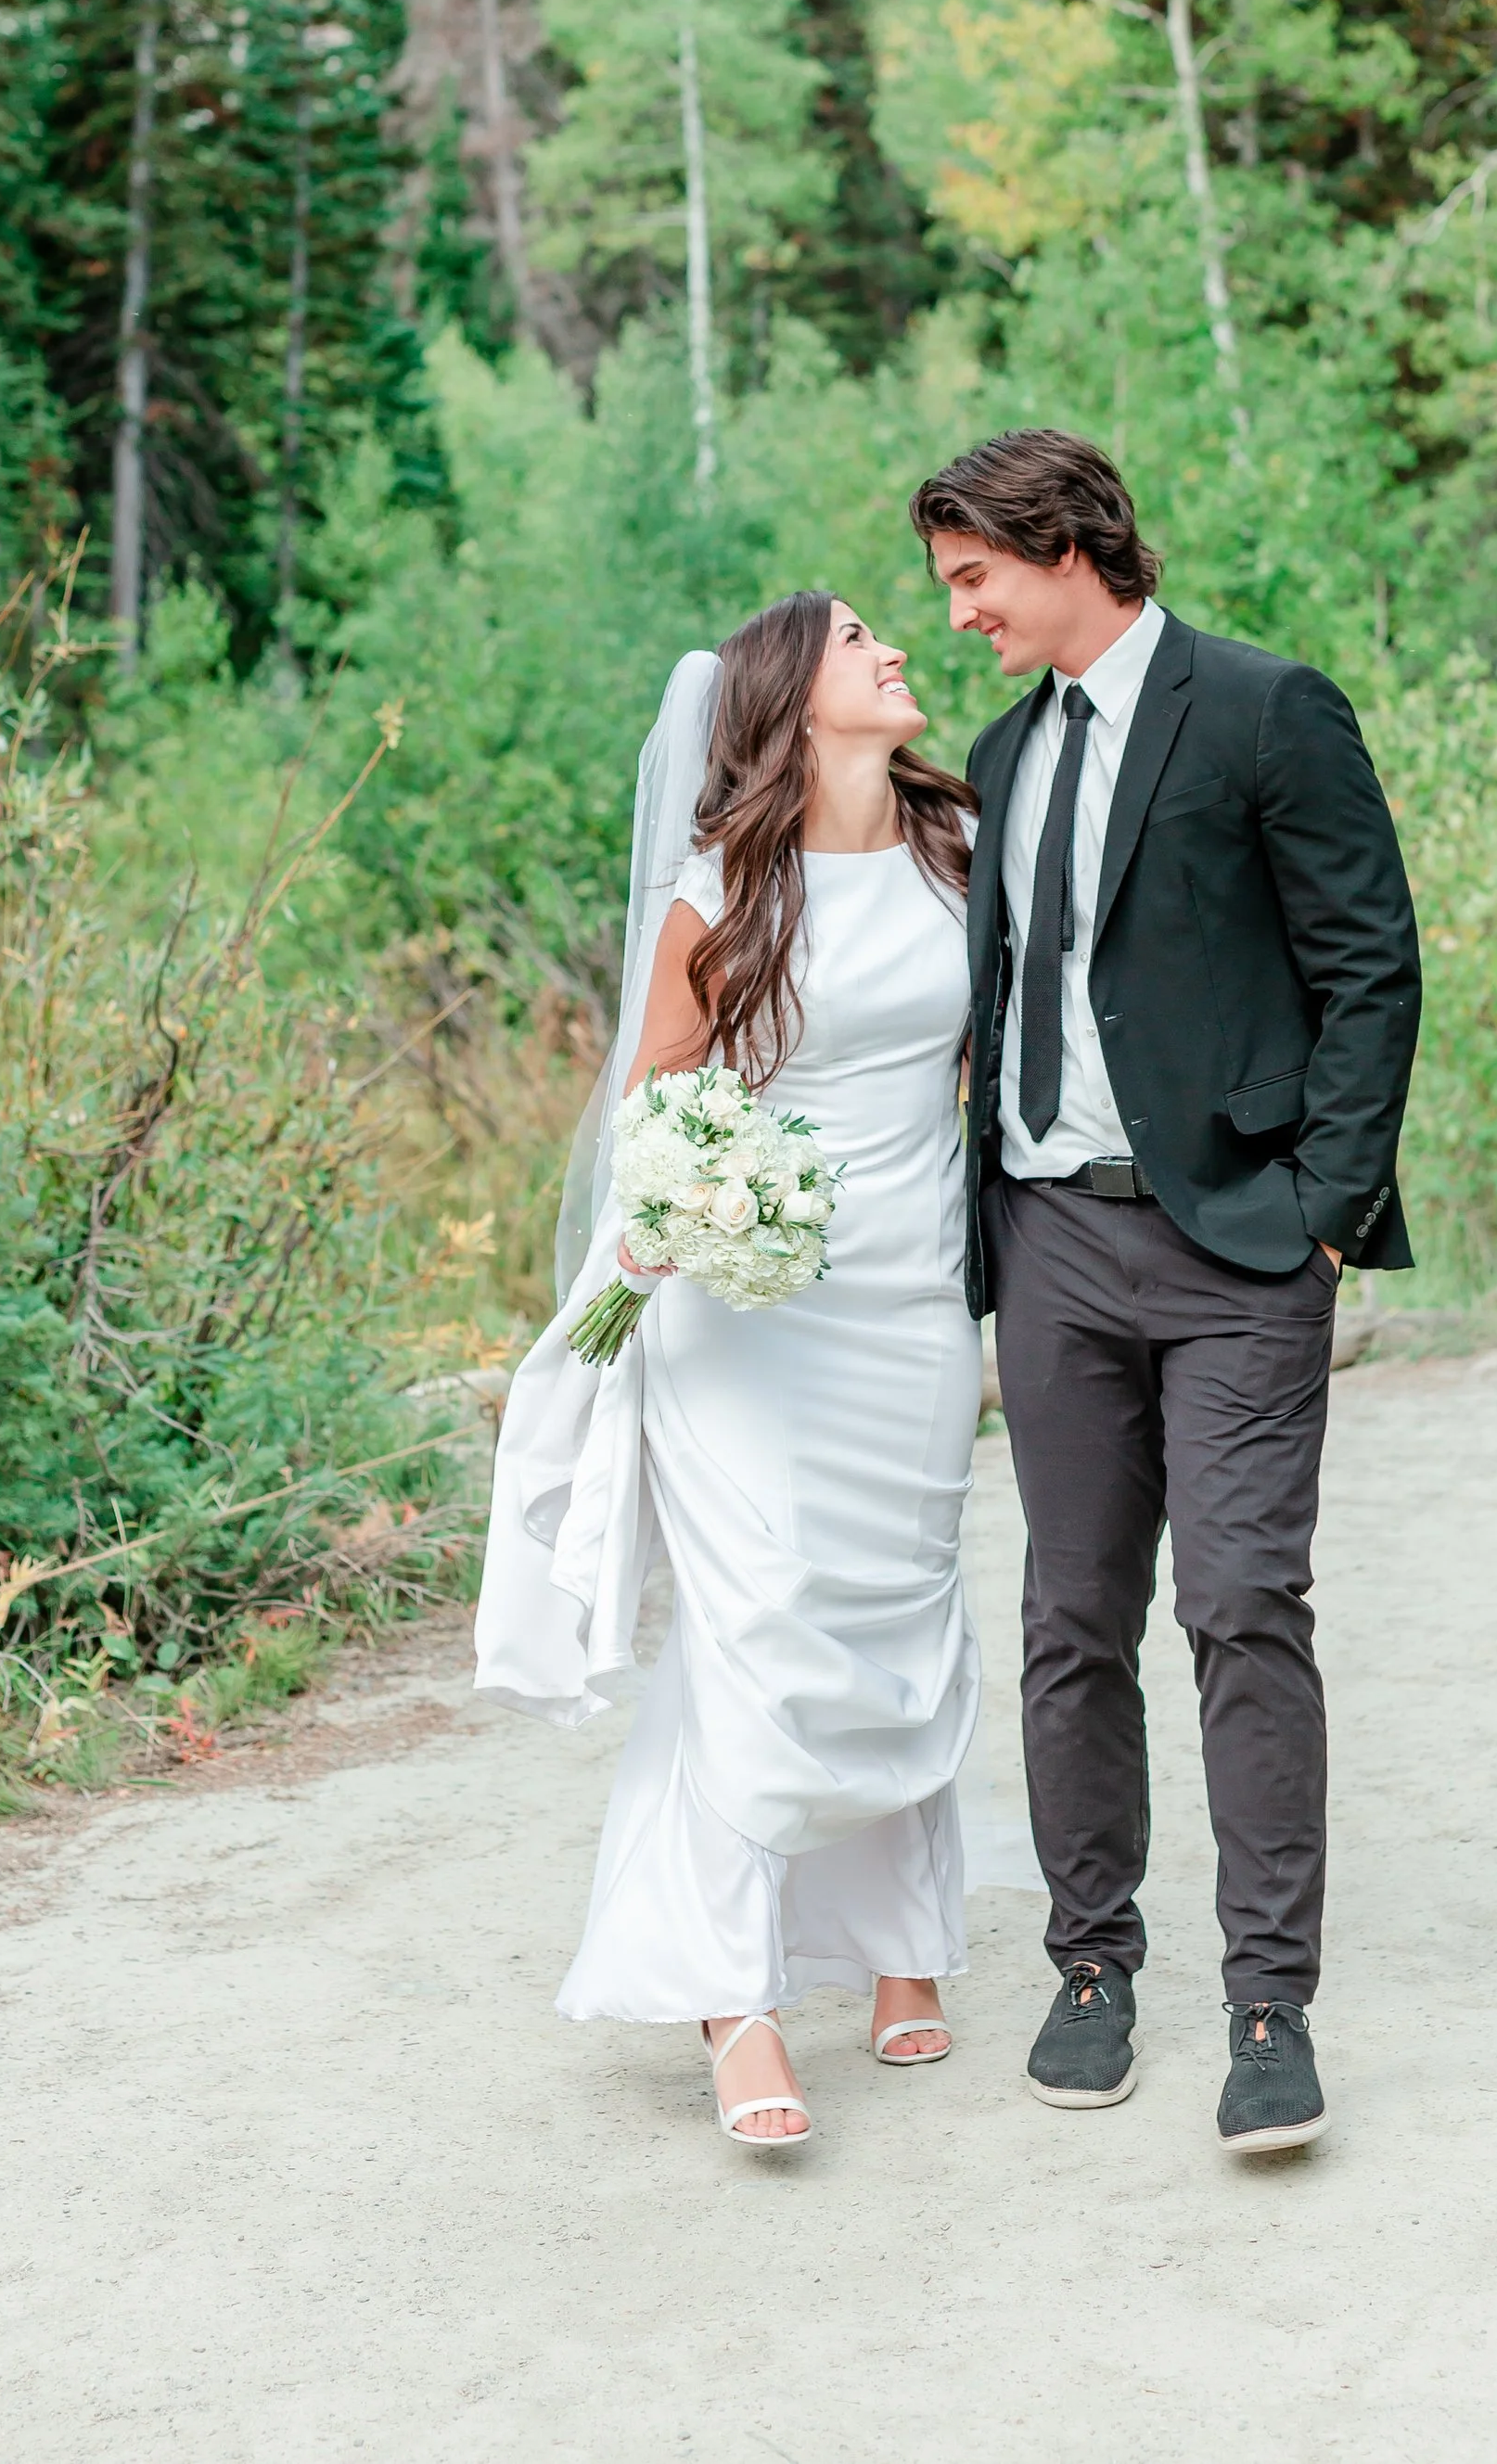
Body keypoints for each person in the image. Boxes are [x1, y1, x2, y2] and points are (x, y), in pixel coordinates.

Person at [910, 429, 1421, 2155]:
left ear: (1061, 543)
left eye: (973, 577)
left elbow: (1373, 964)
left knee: (1244, 1612)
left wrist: (1325, 1213)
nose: (962, 615)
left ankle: (1271, 2004)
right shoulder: (998, 752)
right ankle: (1090, 1969)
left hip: (1240, 1249)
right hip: (1049, 1246)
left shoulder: (1268, 707)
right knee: (1069, 1624)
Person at [475, 594, 983, 2150]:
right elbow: (661, 1114)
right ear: (788, 700)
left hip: (913, 1307)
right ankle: (732, 1993)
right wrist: (675, 1231)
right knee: (759, 1622)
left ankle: (907, 1941)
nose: (897, 649)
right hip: (747, 1317)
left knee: (897, 1611)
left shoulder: (957, 854)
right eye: (859, 642)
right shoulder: (721, 891)